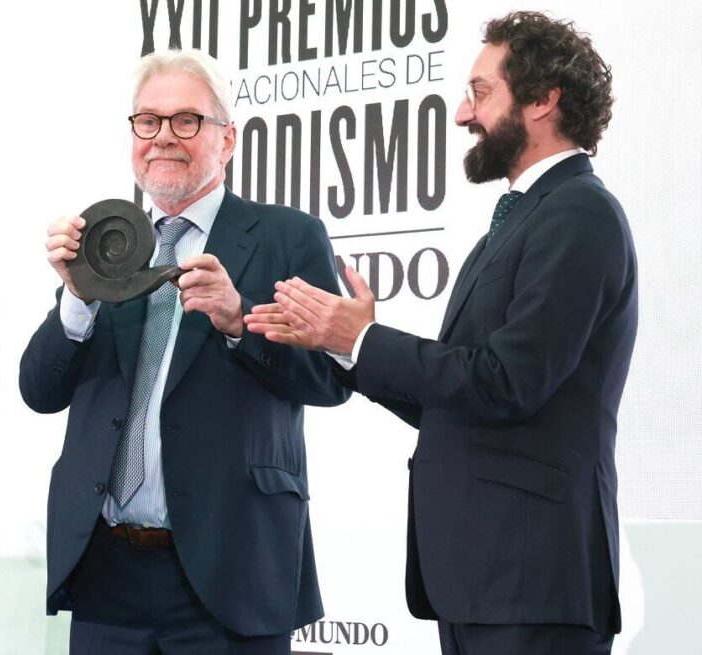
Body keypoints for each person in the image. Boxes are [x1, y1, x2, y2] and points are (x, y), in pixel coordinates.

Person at [245, 12, 636, 655]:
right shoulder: (516, 224)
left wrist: (360, 340)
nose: (462, 114)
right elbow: (458, 401)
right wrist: (345, 347)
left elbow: (509, 383)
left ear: (543, 100)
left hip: (532, 581)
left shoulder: (579, 213)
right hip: (484, 583)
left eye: (480, 93)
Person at [19, 49, 349, 653]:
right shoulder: (108, 243)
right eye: (148, 120)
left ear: (227, 140)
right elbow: (39, 391)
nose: (163, 137)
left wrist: (237, 322)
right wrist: (76, 298)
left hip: (231, 568)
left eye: (186, 121)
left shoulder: (287, 236)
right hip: (105, 570)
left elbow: (328, 380)